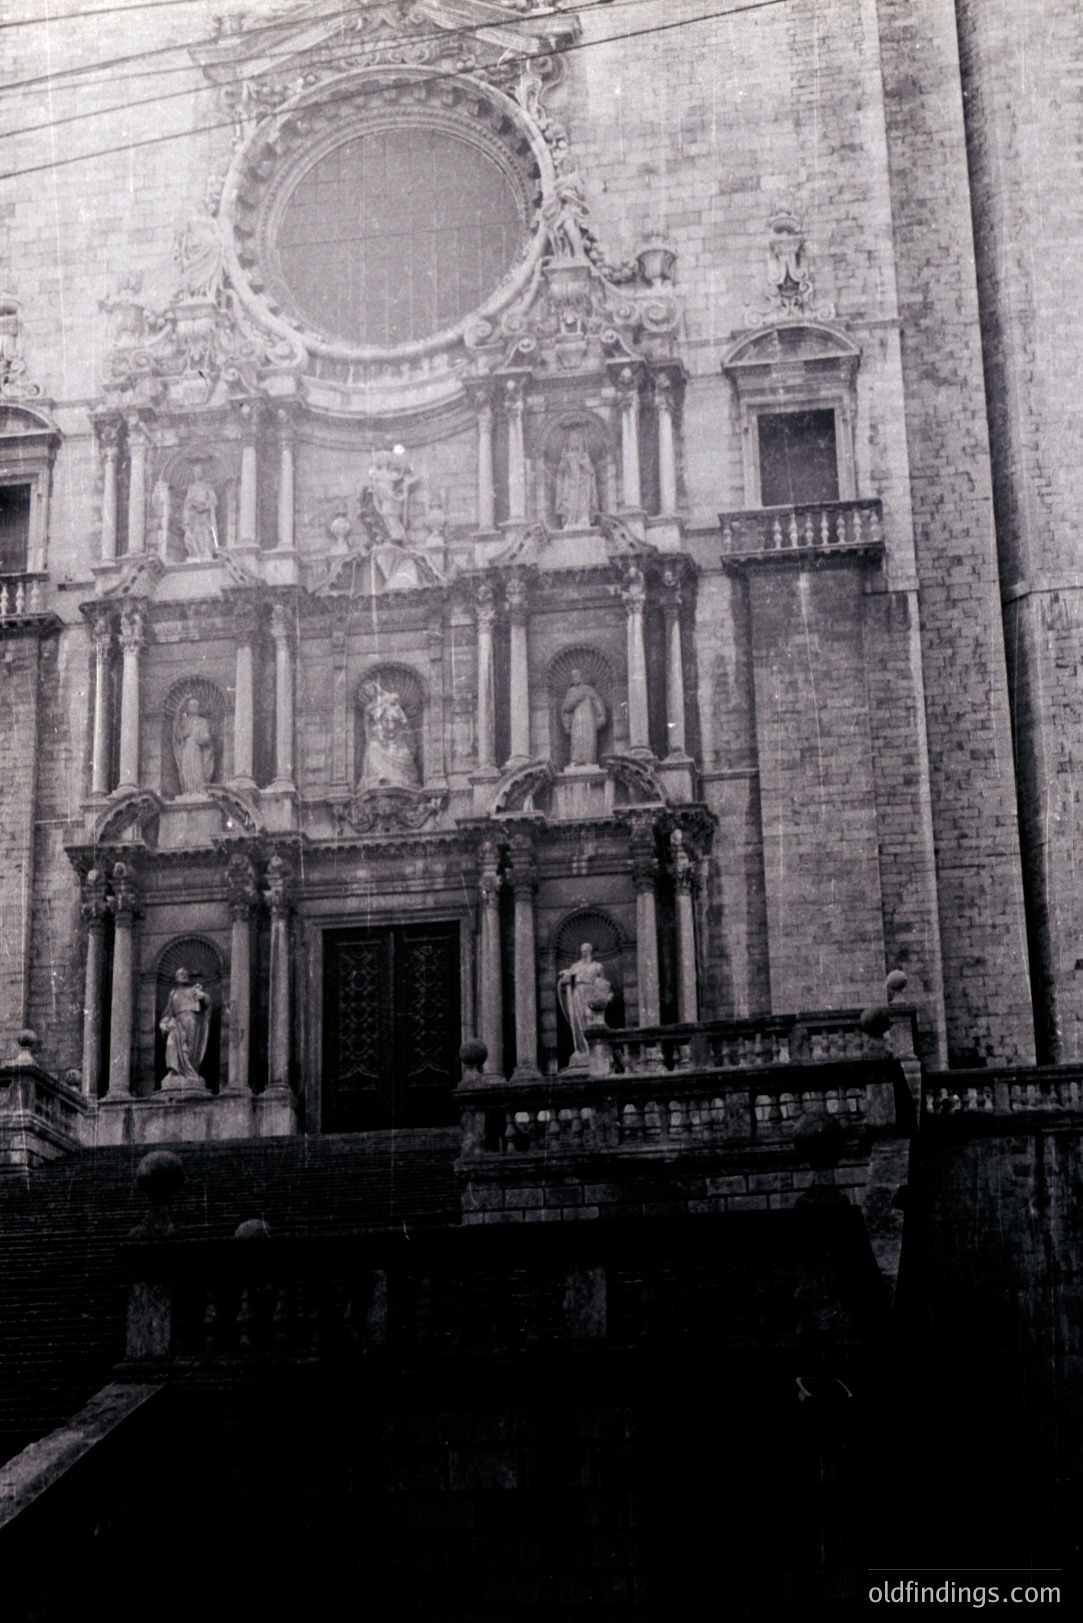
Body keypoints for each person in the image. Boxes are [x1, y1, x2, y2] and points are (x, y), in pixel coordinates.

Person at [558, 943, 613, 1065]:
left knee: (591, 1019)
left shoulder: (598, 966)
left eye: (586, 950)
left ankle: (593, 1049)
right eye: (582, 951)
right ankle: (582, 1049)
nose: (584, 953)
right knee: (578, 1020)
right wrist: (565, 975)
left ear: (591, 951)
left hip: (591, 994)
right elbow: (567, 976)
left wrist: (607, 995)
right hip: (578, 994)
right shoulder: (575, 966)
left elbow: (603, 984)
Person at [359, 679, 420, 788]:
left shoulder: (388, 700)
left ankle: (401, 778)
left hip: (396, 738)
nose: (369, 692)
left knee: (403, 753)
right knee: (372, 749)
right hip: (379, 738)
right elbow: (366, 726)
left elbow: (402, 719)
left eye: (370, 689)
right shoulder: (368, 708)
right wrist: (370, 737)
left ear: (375, 688)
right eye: (366, 691)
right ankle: (379, 775)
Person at [160, 968, 211, 1084]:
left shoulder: (194, 990)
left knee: (190, 1049)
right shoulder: (173, 994)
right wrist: (163, 1025)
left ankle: (190, 1073)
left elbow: (207, 1003)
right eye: (181, 973)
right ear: (176, 977)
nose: (184, 975)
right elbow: (168, 1013)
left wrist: (203, 996)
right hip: (177, 1024)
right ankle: (174, 1071)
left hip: (192, 1021)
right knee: (171, 1042)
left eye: (186, 973)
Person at [561, 668, 606, 767]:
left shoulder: (589, 689)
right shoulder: (571, 691)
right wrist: (575, 701)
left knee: (589, 738)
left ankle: (589, 760)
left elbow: (597, 701)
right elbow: (566, 707)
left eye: (576, 675)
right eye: (573, 676)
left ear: (581, 676)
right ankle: (575, 760)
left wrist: (601, 715)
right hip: (576, 719)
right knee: (576, 738)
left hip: (589, 718)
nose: (575, 678)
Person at [554, 429, 598, 528]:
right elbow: (560, 472)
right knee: (570, 503)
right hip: (570, 486)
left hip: (583, 486)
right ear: (568, 442)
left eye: (577, 440)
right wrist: (565, 462)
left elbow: (591, 472)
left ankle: (583, 519)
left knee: (583, 502)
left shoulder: (585, 456)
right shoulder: (565, 456)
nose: (575, 442)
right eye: (572, 440)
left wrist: (584, 464)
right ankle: (570, 521)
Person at [173, 696, 215, 792]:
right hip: (186, 748)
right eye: (191, 706)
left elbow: (207, 737)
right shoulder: (184, 721)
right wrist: (183, 735)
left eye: (195, 706)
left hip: (196, 748)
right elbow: (177, 735)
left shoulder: (202, 721)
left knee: (197, 769)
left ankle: (199, 791)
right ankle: (188, 791)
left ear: (198, 708)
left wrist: (201, 739)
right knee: (186, 770)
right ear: (188, 708)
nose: (193, 708)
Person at [181, 465, 219, 558]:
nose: (197, 473)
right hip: (194, 516)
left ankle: (206, 553)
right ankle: (196, 554)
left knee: (205, 533)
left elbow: (214, 501)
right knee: (195, 534)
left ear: (203, 473)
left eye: (199, 471)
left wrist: (205, 506)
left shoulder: (207, 487)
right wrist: (191, 506)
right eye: (195, 471)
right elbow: (187, 503)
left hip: (205, 515)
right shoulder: (191, 488)